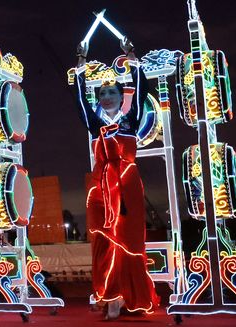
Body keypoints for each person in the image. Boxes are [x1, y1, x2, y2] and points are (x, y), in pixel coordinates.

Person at [74, 38, 159, 320]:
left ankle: (131, 296)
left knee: (129, 240)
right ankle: (110, 296)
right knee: (104, 242)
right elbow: (80, 102)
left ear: (121, 96)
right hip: (100, 187)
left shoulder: (130, 119)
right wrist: (81, 65)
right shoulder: (96, 125)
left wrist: (131, 54)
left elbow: (143, 86)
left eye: (112, 92)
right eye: (102, 93)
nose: (107, 96)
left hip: (126, 184)